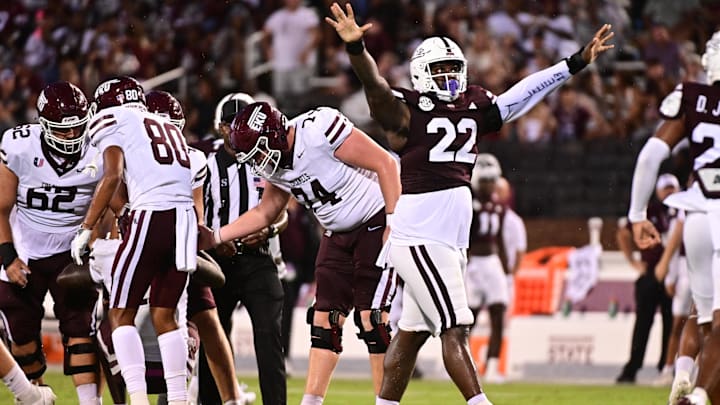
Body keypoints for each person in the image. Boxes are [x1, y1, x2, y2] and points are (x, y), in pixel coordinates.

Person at [326, 3, 614, 404]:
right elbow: (375, 87)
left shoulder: (474, 103)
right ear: (421, 75)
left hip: (448, 240)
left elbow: (521, 94)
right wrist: (358, 51)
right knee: (456, 328)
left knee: (412, 332)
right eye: (438, 70)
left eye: (451, 68)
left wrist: (573, 64)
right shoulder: (405, 111)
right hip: (422, 236)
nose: (447, 76)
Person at [198, 100, 400, 405]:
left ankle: (386, 403)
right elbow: (266, 211)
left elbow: (386, 163)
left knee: (372, 320)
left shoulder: (319, 130)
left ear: (275, 134)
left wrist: (394, 219)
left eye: (259, 152)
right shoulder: (276, 163)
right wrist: (215, 236)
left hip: (374, 220)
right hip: (336, 233)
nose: (260, 163)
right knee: (324, 322)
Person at [71, 76, 195, 405]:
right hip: (185, 219)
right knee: (166, 316)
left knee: (119, 315)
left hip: (151, 214)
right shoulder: (163, 123)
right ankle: (179, 400)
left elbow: (111, 175)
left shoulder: (113, 120)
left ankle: (138, 400)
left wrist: (87, 227)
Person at [628, 30, 720, 405]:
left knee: (704, 316)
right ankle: (697, 396)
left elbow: (650, 156)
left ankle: (684, 374)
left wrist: (637, 215)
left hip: (697, 213)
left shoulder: (692, 96)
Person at [0, 81, 101, 405]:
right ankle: (34, 396)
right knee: (22, 337)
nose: (72, 137)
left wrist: (92, 242)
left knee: (81, 334)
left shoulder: (101, 147)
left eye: (77, 129)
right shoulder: (19, 146)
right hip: (25, 248)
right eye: (63, 130)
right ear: (43, 124)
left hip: (72, 251)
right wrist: (8, 257)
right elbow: (0, 207)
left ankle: (90, 403)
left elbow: (110, 207)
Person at [198, 92, 287, 405]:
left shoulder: (265, 158)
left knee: (269, 337)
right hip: (216, 262)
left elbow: (282, 213)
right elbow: (197, 216)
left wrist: (270, 228)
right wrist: (215, 243)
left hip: (259, 259)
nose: (233, 131)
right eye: (228, 125)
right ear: (220, 128)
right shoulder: (206, 164)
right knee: (214, 336)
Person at [615, 174, 677, 384]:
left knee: (673, 323)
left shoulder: (683, 211)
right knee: (643, 322)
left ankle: (666, 368)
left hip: (674, 274)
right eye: (665, 189)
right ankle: (632, 367)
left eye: (672, 188)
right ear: (658, 191)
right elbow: (623, 233)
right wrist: (633, 262)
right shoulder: (649, 211)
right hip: (651, 273)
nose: (669, 193)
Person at [465, 154, 510, 383]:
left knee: (499, 314)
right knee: (467, 319)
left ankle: (492, 365)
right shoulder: (468, 206)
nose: (489, 185)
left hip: (492, 264)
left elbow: (500, 238)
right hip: (473, 264)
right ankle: (461, 363)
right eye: (485, 180)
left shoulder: (499, 207)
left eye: (492, 180)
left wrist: (506, 269)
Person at [653, 208, 691, 387]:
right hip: (687, 267)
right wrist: (671, 275)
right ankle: (669, 369)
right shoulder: (687, 205)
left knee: (708, 325)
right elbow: (675, 243)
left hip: (712, 263)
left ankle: (698, 371)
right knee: (678, 324)